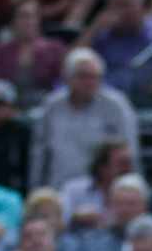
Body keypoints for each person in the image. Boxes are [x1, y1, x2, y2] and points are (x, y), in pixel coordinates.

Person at [30, 50, 139, 195]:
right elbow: (39, 153)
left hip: (102, 192)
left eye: (96, 77)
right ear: (67, 78)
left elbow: (130, 152)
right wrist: (35, 189)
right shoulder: (52, 106)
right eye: (84, 76)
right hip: (59, 189)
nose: (90, 82)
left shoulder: (116, 106)